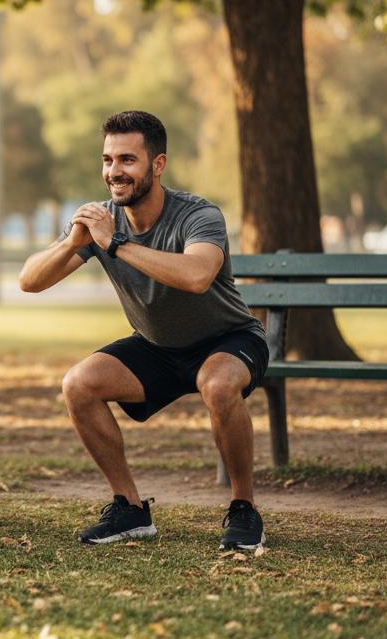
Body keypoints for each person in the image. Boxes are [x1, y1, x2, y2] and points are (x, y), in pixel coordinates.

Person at [18, 111, 268, 550]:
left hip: (229, 339)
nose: (115, 172)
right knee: (79, 384)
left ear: (157, 164)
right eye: (108, 160)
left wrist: (117, 243)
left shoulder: (198, 214)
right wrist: (72, 243)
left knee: (218, 382)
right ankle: (130, 509)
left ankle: (243, 507)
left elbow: (196, 276)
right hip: (157, 347)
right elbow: (30, 281)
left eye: (128, 160)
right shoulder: (101, 221)